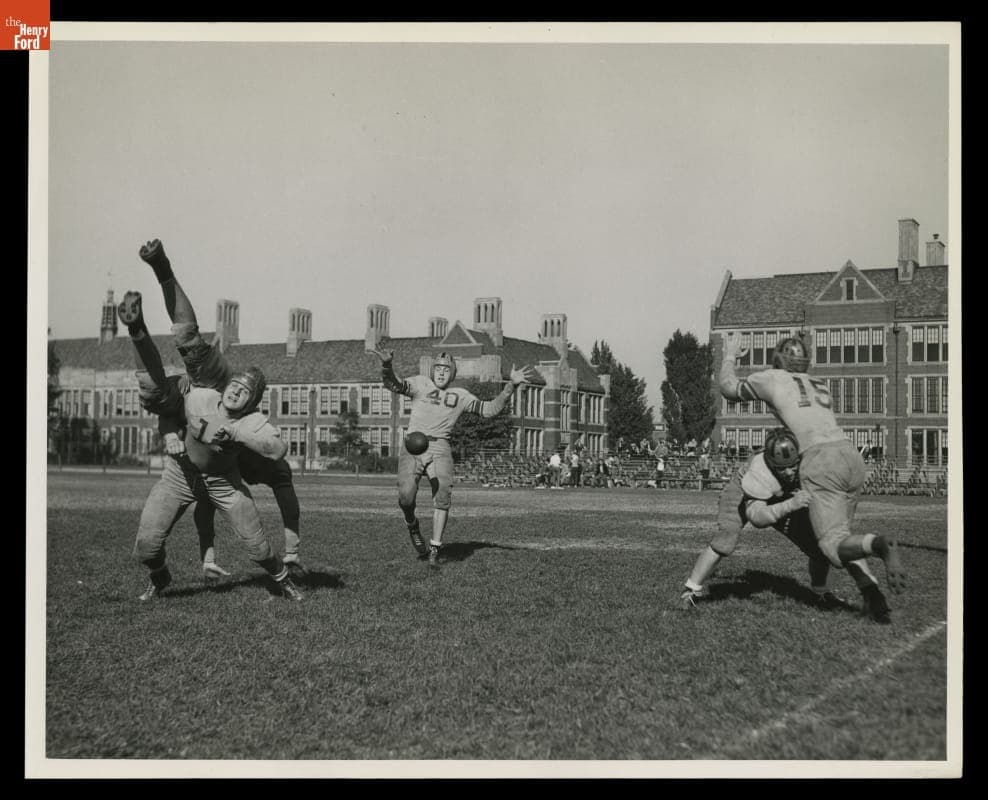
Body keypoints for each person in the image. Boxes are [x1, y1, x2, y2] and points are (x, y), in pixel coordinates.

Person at [119, 242, 303, 602]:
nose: (238, 391)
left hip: (222, 482)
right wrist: (170, 431)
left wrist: (234, 430)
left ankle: (282, 578)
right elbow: (167, 410)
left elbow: (277, 447)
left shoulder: (251, 421)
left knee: (258, 547)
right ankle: (142, 317)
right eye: (237, 384)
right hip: (180, 474)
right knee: (145, 546)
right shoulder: (205, 390)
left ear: (253, 400)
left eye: (246, 391)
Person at [719, 334, 906, 599]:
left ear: (778, 360)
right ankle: (871, 596)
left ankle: (879, 544)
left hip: (821, 460)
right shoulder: (819, 383)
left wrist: (729, 355)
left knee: (832, 543)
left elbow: (728, 387)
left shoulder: (772, 377)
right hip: (850, 455)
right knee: (841, 534)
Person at [680, 428, 892, 623]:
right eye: (783, 468)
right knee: (726, 539)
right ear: (771, 463)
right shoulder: (759, 472)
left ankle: (827, 593)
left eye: (794, 466)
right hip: (744, 494)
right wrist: (791, 504)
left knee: (822, 546)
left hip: (784, 496)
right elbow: (757, 517)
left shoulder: (814, 462)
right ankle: (691, 590)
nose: (790, 472)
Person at [370, 346, 536, 566]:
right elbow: (394, 384)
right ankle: (412, 524)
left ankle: (435, 549)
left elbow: (488, 410)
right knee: (406, 496)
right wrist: (386, 365)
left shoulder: (461, 396)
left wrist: (510, 386)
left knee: (443, 496)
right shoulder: (420, 383)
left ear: (453, 374)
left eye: (446, 369)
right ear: (432, 370)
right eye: (438, 368)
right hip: (413, 444)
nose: (441, 372)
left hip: (440, 447)